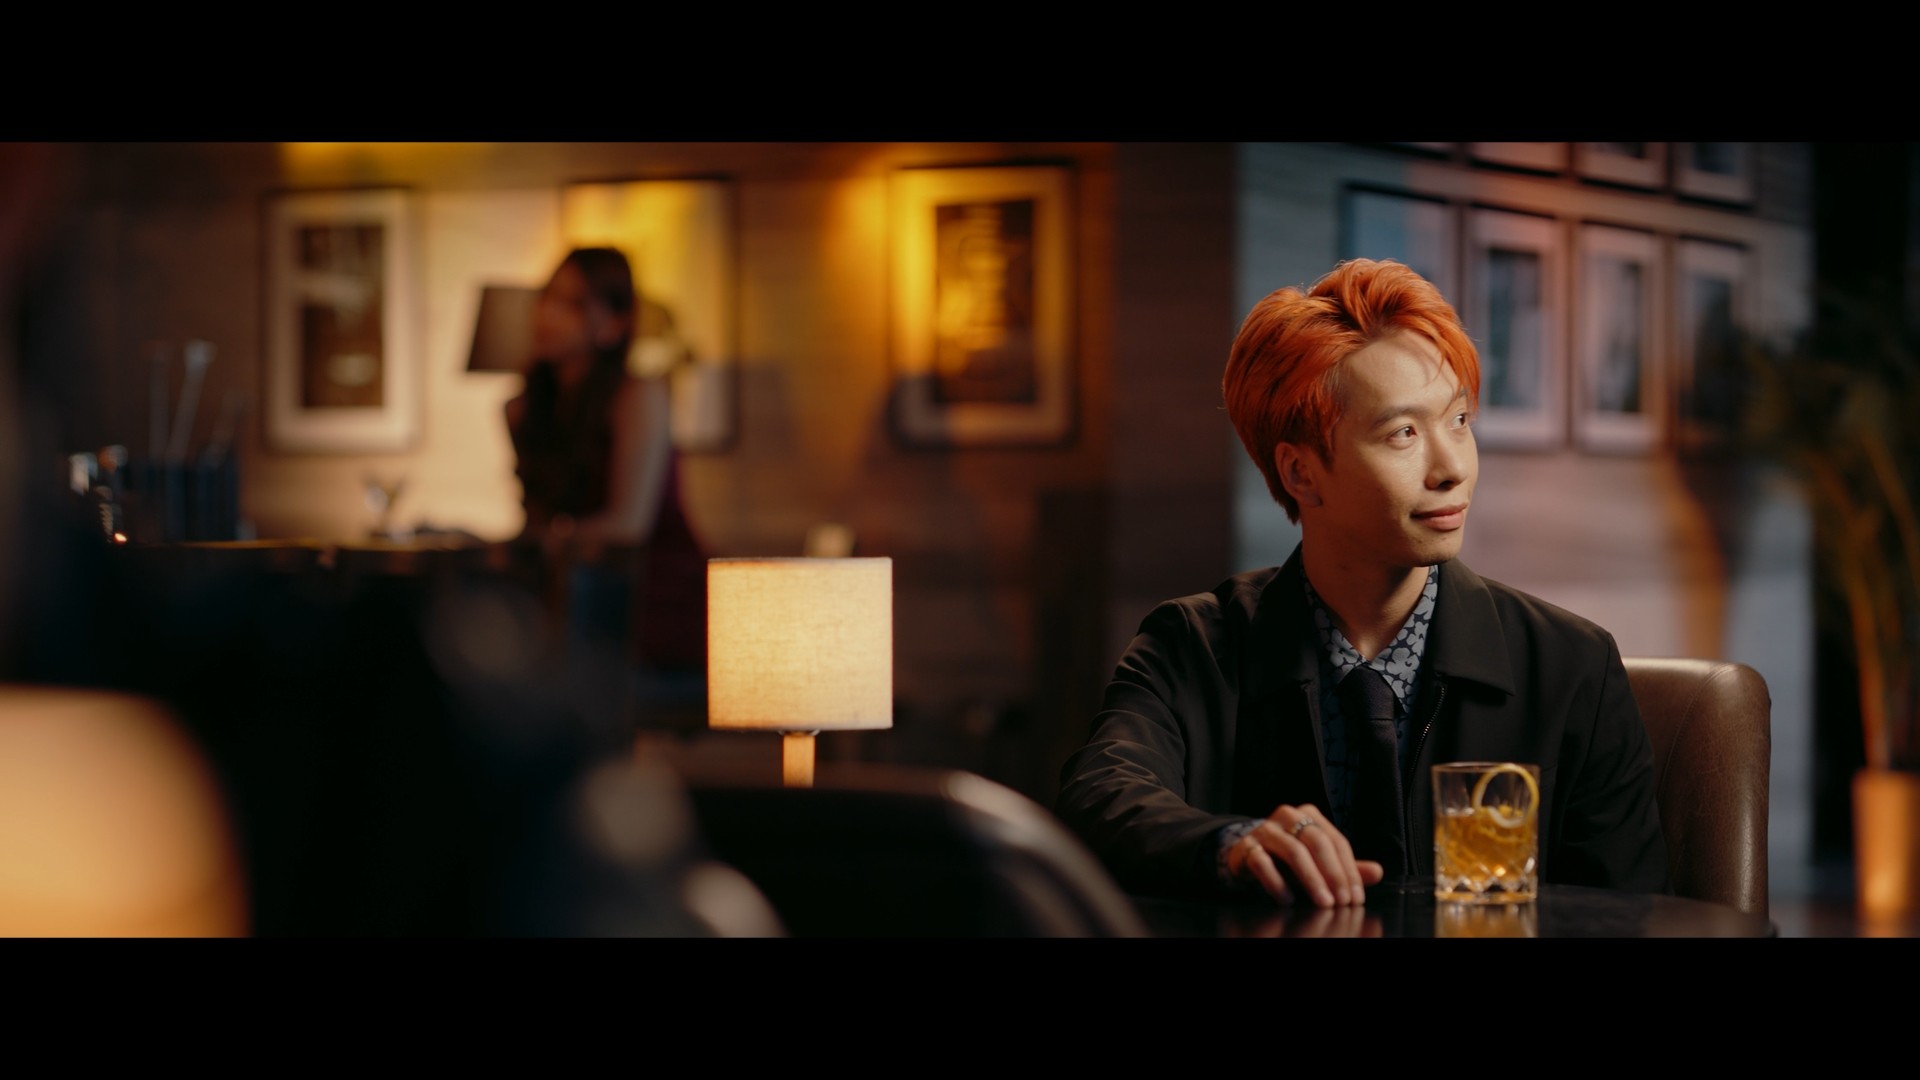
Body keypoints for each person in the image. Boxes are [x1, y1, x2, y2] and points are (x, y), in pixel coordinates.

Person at [1054, 258, 1669, 908]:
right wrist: (1233, 844)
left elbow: (1632, 914)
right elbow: (1099, 797)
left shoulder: (1571, 667)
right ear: (1300, 473)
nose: (1452, 468)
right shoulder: (1194, 647)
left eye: (1459, 421)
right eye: (1403, 433)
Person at [506, 247, 707, 676]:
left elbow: (629, 526)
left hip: (653, 592)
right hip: (574, 587)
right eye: (547, 297)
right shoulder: (525, 407)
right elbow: (535, 518)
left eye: (573, 304)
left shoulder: (638, 396)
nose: (547, 314)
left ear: (614, 324)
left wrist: (551, 540)